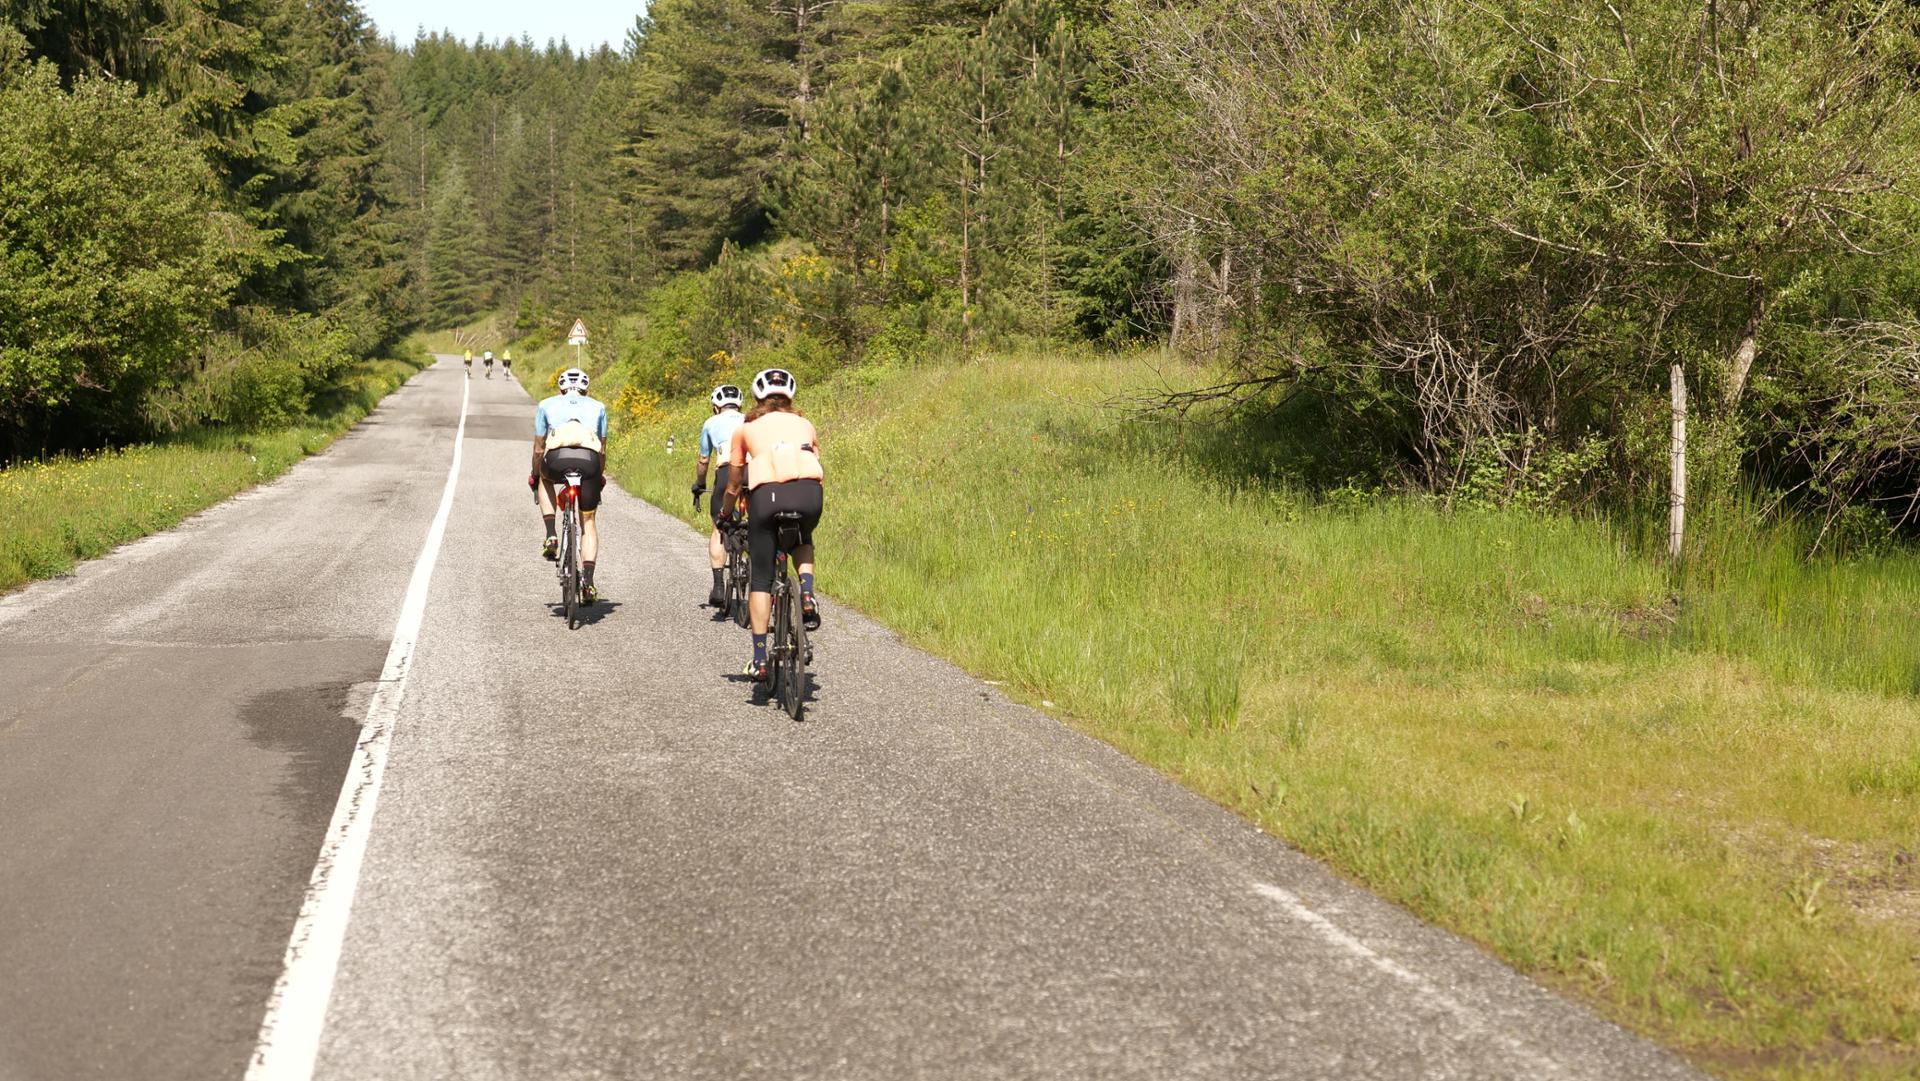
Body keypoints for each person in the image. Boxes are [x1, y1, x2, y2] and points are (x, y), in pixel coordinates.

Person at [721, 368, 822, 681]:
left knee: (761, 581)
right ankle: (806, 592)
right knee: (803, 539)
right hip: (809, 493)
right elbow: (817, 463)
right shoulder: (806, 424)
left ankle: (760, 659)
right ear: (790, 397)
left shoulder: (746, 427)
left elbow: (734, 483)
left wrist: (726, 515)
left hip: (767, 498)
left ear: (756, 397)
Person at [531, 368, 609, 605]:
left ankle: (551, 534)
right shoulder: (598, 407)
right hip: (589, 462)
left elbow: (538, 448)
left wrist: (535, 474)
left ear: (561, 388)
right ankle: (588, 581)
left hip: (557, 459)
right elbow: (602, 449)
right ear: (586, 389)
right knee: (588, 522)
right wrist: (599, 475)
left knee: (544, 479)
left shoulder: (546, 404)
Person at [691, 384, 747, 608]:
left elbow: (704, 461)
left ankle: (718, 586)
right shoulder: (750, 420)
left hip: (726, 472)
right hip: (754, 472)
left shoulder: (711, 423)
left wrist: (700, 484)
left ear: (716, 407)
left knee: (718, 526)